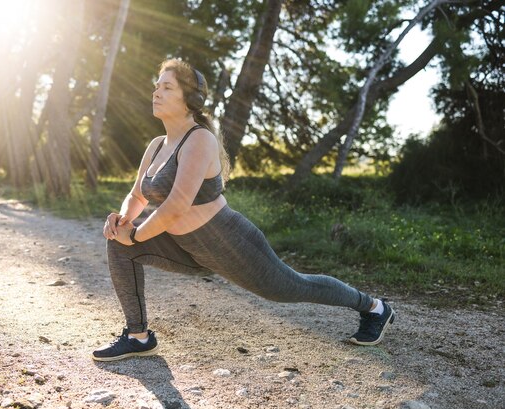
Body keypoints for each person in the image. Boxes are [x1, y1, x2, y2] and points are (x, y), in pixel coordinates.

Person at [92, 59, 395, 362]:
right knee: (119, 245)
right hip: (186, 248)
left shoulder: (199, 139)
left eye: (167, 87)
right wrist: (122, 221)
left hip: (229, 242)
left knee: (290, 287)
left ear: (191, 100)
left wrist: (136, 234)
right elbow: (137, 195)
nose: (156, 92)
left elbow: (175, 206)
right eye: (156, 86)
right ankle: (138, 336)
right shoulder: (157, 145)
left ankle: (374, 307)